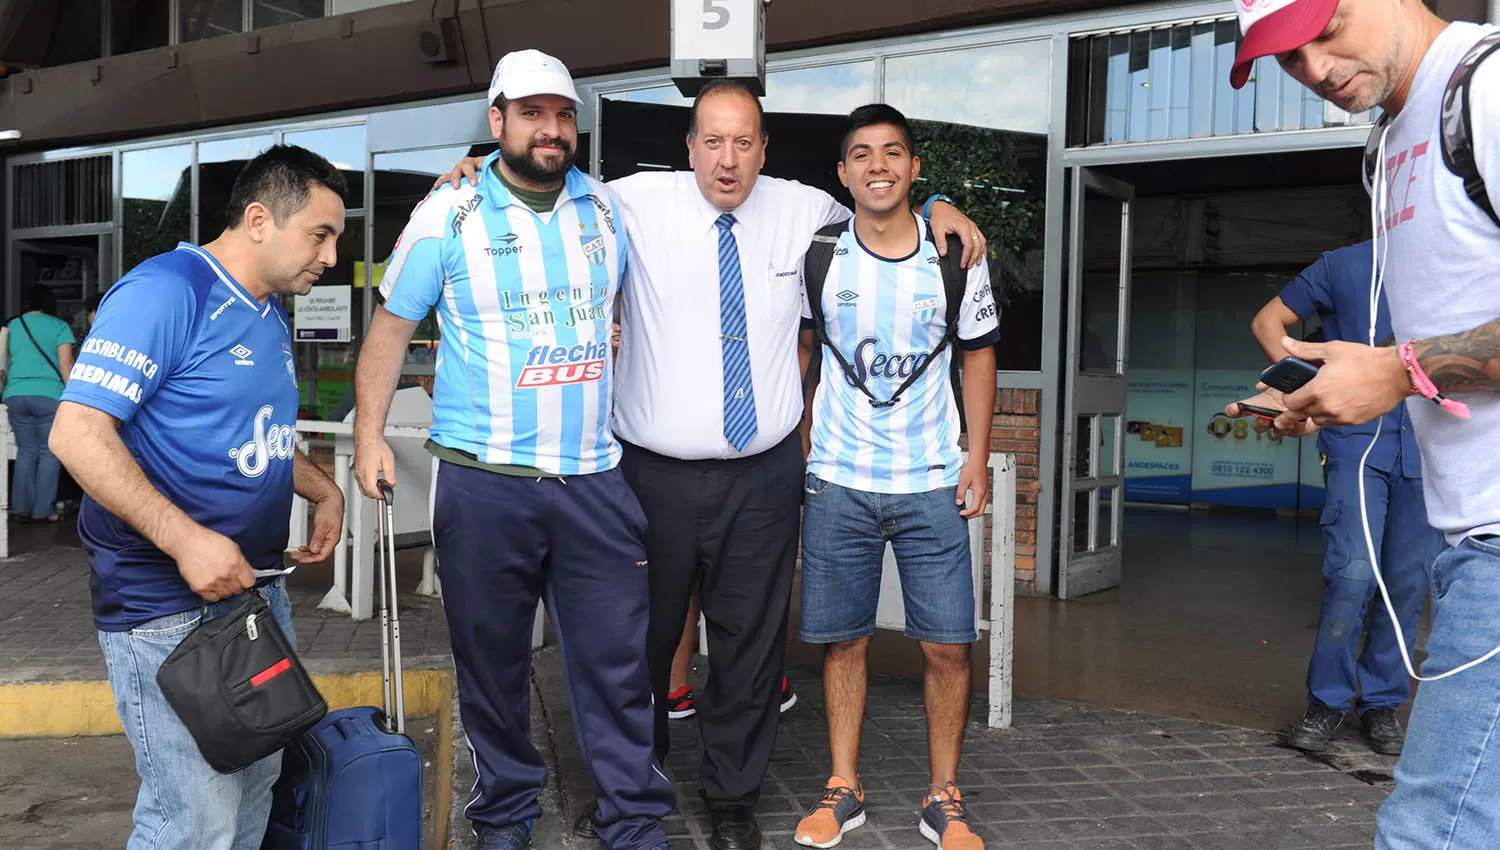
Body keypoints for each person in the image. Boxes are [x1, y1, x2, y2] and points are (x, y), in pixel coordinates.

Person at [439, 79, 986, 850]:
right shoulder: (627, 202)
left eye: (744, 143)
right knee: (637, 643)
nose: (728, 160)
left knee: (750, 649)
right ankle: (633, 787)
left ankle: (732, 798)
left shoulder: (804, 209)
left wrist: (939, 210)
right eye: (713, 141)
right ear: (688, 147)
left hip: (762, 476)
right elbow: (535, 173)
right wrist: (467, 169)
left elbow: (882, 197)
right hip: (650, 473)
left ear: (765, 150)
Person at [353, 50, 674, 850]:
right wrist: (366, 435)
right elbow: (390, 331)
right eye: (531, 113)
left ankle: (632, 822)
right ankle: (503, 817)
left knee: (616, 666)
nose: (551, 129)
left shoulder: (604, 208)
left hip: (594, 481)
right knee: (490, 668)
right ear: (497, 123)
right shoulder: (447, 213)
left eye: (563, 115)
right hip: (484, 483)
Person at [1223, 1, 1500, 844]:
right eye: (1285, 58)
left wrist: (1401, 371)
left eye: (1324, 29)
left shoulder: (1484, 90)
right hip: (1468, 532)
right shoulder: (1388, 141)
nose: (1315, 68)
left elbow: (1413, 361)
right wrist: (1332, 390)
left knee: (1432, 830)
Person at [47, 144, 348, 850]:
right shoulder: (168, 291)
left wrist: (320, 486)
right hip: (166, 608)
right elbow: (78, 432)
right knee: (193, 824)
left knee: (250, 803)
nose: (332, 257)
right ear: (256, 220)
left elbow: (250, 427)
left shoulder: (268, 308)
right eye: (321, 234)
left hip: (252, 597)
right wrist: (184, 539)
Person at [790, 104, 998, 850]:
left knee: (947, 645)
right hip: (839, 479)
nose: (877, 166)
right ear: (843, 173)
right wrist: (806, 439)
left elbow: (978, 353)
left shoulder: (954, 255)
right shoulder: (819, 253)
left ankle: (943, 795)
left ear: (914, 168)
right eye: (861, 155)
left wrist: (976, 455)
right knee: (842, 642)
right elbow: (804, 352)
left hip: (933, 479)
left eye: (892, 153)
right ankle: (842, 787)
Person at [1248, 242, 1443, 755]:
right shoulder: (1345, 264)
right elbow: (1269, 323)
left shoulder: (1454, 258)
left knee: (1404, 582)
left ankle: (1381, 703)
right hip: (1356, 442)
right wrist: (1304, 391)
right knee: (1354, 573)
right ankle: (1327, 703)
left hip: (1427, 447)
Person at [2, 286, 76, 522]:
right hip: (48, 396)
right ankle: (43, 510)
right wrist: (75, 395)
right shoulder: (59, 327)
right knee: (49, 453)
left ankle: (21, 507)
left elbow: (6, 361)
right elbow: (66, 365)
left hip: (15, 394)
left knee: (26, 451)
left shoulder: (12, 327)